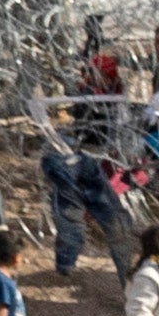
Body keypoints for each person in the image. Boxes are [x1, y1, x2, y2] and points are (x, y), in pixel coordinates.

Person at [32, 114, 137, 282]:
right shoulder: (103, 162)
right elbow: (113, 187)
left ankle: (65, 265)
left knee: (72, 223)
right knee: (103, 225)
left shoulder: (96, 162)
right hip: (82, 170)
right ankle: (127, 278)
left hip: (77, 170)